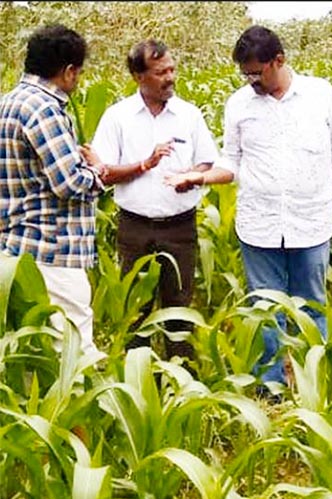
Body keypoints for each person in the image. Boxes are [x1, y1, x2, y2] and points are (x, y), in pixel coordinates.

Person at [165, 25, 332, 400]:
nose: (251, 81)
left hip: (311, 222)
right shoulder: (239, 104)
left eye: (257, 72)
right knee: (264, 310)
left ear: (279, 61)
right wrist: (198, 177)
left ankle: (312, 386)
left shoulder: (320, 95)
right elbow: (231, 162)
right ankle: (269, 391)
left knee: (311, 307)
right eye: (246, 74)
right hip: (260, 225)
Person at [90, 40, 219, 362]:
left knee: (179, 308)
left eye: (172, 69)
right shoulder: (117, 117)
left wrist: (191, 175)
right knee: (137, 311)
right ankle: (140, 380)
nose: (170, 77)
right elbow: (102, 172)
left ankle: (182, 383)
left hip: (180, 227)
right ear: (138, 76)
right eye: (161, 72)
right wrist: (144, 164)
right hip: (134, 228)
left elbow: (207, 162)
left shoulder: (189, 115)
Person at [0, 24, 109, 362]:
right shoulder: (43, 108)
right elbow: (68, 183)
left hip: (15, 250)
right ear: (67, 71)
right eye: (77, 73)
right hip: (53, 251)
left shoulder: (8, 103)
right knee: (74, 351)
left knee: (31, 351)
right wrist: (97, 171)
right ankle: (81, 415)